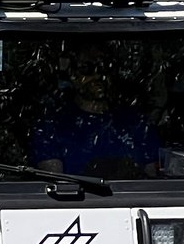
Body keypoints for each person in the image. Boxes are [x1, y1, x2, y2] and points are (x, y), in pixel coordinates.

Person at [30, 47, 160, 178]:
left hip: (133, 197)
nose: (97, 76)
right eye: (87, 68)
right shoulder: (51, 126)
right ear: (72, 75)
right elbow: (56, 186)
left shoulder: (136, 122)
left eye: (103, 68)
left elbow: (153, 181)